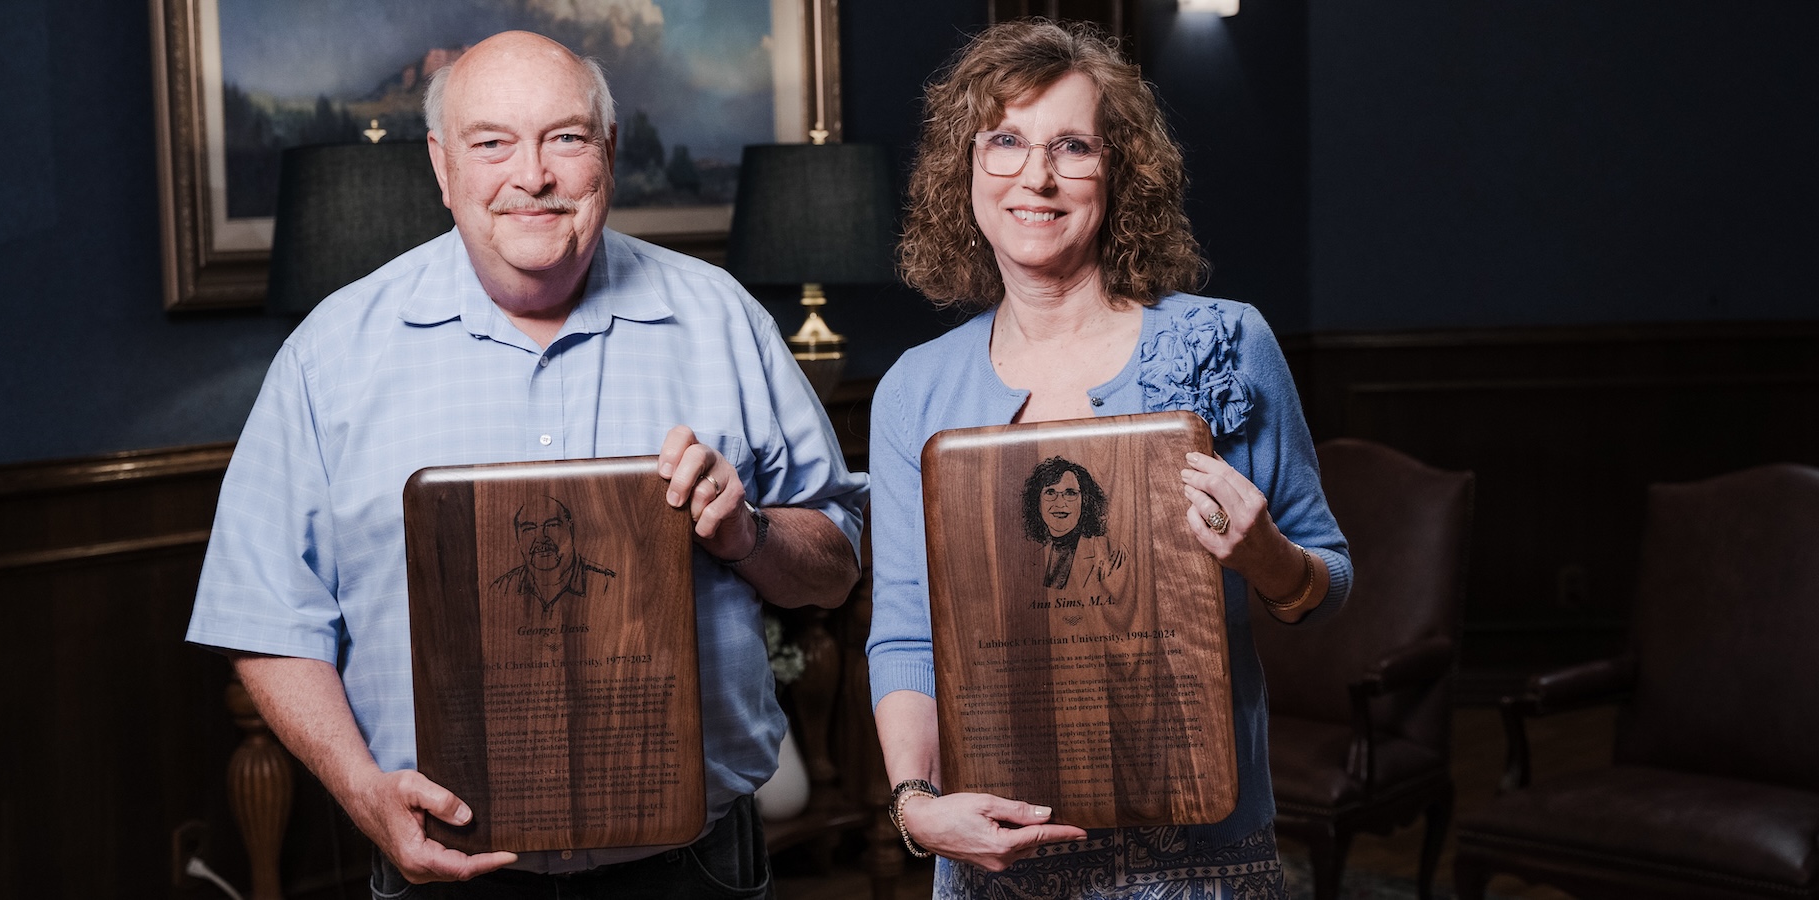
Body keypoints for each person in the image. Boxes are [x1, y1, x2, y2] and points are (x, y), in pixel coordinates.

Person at [185, 30, 866, 899]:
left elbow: (836, 567)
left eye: (566, 138)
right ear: (441, 163)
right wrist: (363, 794)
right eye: (491, 142)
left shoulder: (723, 322)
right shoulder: (332, 354)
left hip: (692, 869)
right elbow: (265, 618)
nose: (533, 175)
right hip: (439, 867)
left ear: (608, 153)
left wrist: (749, 533)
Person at [865, 19, 1351, 898]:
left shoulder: (1226, 345)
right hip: (994, 858)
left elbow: (1327, 586)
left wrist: (1265, 556)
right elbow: (904, 632)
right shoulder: (914, 390)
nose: (1035, 176)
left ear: (1119, 172)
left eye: (1073, 146)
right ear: (964, 170)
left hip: (1200, 852)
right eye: (1004, 142)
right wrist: (915, 805)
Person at [490, 497, 614, 617]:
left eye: (552, 525)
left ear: (571, 528)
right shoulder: (501, 588)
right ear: (517, 537)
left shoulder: (607, 584)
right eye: (529, 529)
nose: (541, 539)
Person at [1020, 456, 1123, 598]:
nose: (1060, 503)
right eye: (1050, 492)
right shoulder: (1032, 561)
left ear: (1085, 501)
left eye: (1070, 493)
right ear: (1037, 502)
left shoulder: (1111, 556)